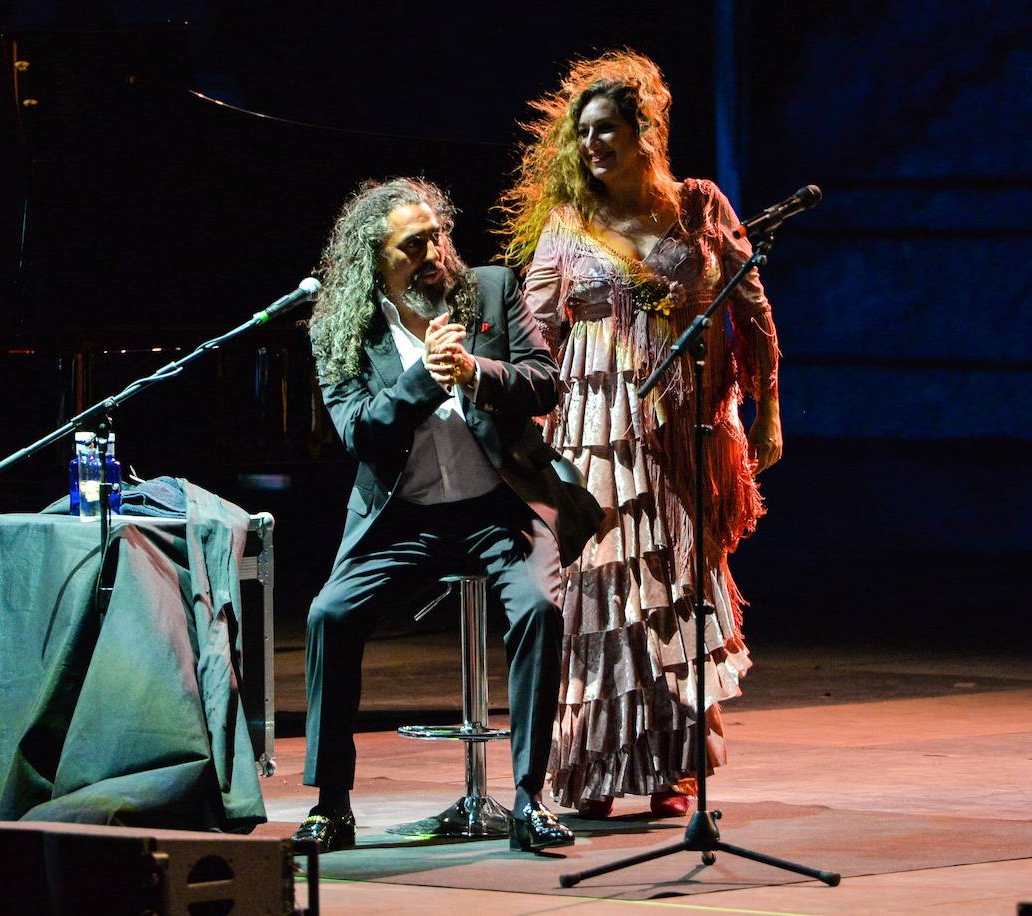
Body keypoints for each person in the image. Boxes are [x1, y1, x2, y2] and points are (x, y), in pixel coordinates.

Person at [499, 51, 783, 818]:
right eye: (582, 135)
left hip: (680, 431)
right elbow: (534, 333)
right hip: (594, 435)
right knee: (602, 594)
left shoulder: (698, 208)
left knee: (671, 590)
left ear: (644, 131)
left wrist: (768, 412)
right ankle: (593, 769)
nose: (591, 146)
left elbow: (750, 308)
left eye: (606, 131)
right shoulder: (567, 227)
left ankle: (671, 767)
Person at [294, 177, 599, 854]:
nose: (435, 251)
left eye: (438, 234)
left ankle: (528, 798)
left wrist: (475, 373)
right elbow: (359, 437)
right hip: (403, 517)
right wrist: (422, 379)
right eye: (414, 244)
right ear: (374, 259)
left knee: (539, 609)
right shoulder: (343, 328)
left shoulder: (489, 288)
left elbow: (545, 380)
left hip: (501, 507)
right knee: (329, 615)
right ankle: (331, 804)